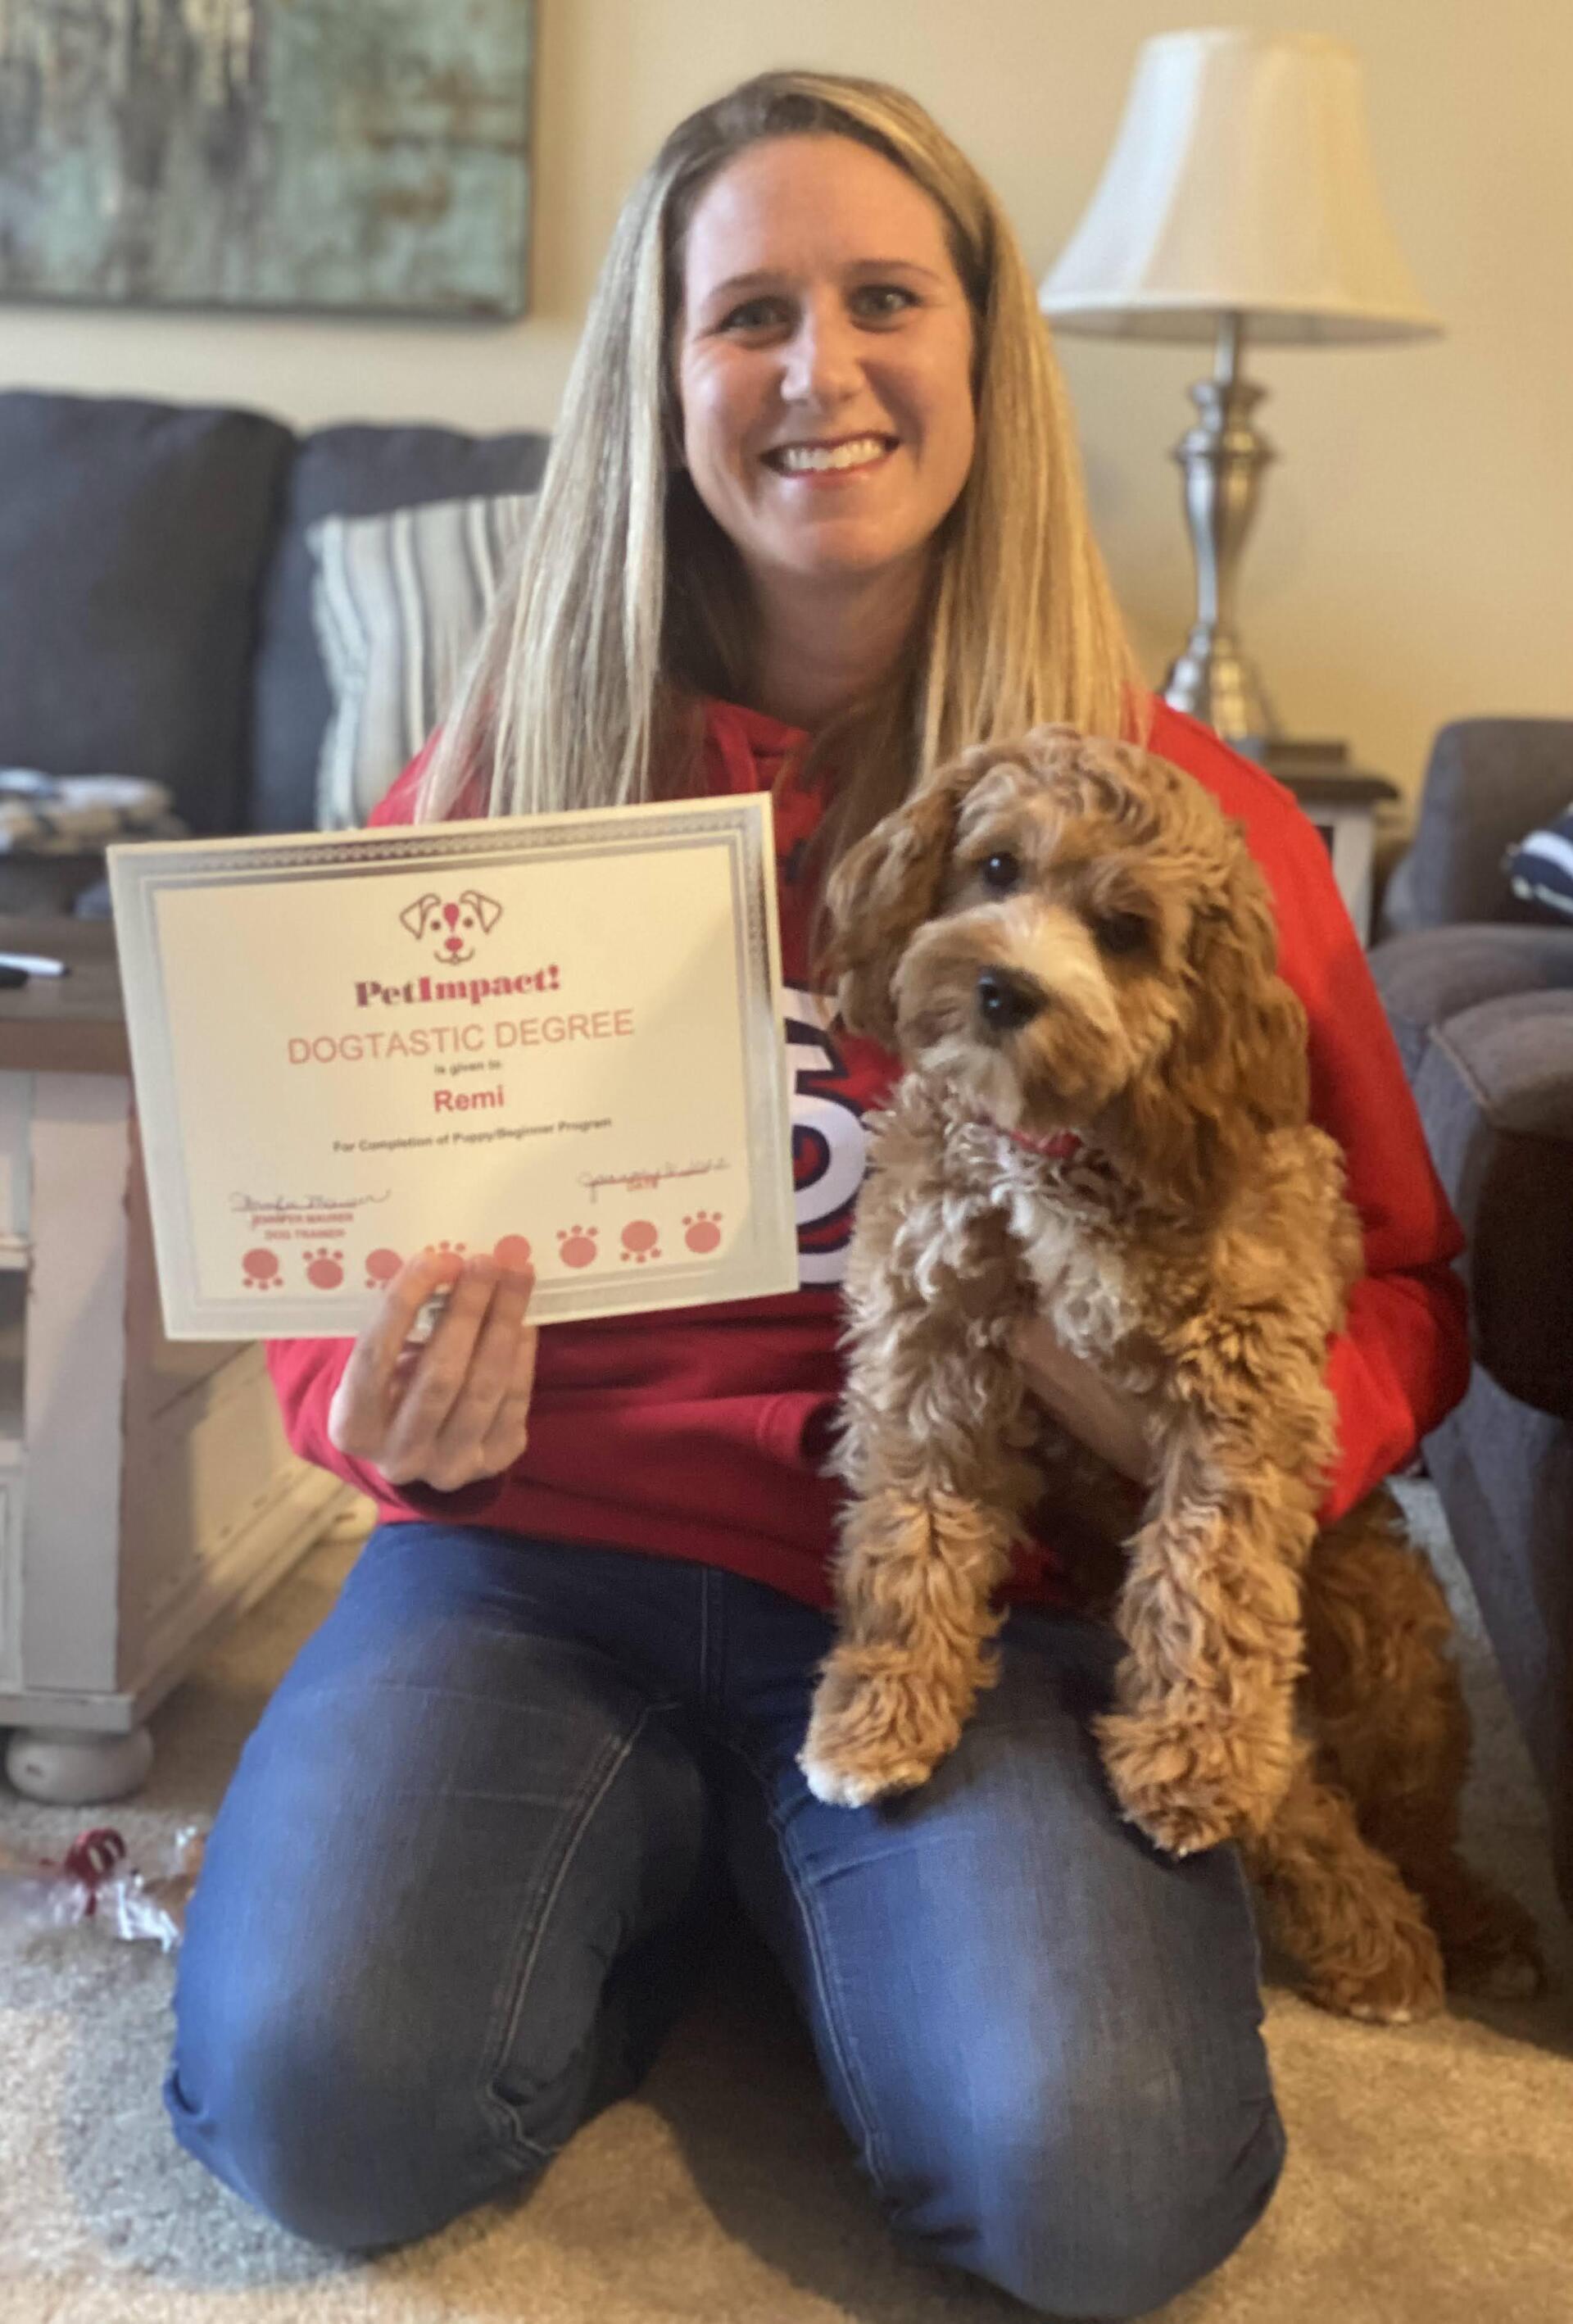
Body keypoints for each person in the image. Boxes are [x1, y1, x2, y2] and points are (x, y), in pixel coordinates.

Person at [164, 70, 1470, 2318]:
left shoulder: (1167, 823)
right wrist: (363, 1406)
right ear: (662, 377)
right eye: (745, 310)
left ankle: (815, 1885)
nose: (817, 371)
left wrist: (1236, 1439)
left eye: (884, 299)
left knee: (1103, 2183)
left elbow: (1416, 1275)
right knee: (321, 2106)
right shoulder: (498, 783)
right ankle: (693, 1887)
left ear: (982, 360)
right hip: (524, 1568)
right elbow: (316, 1216)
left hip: (996, 1602)